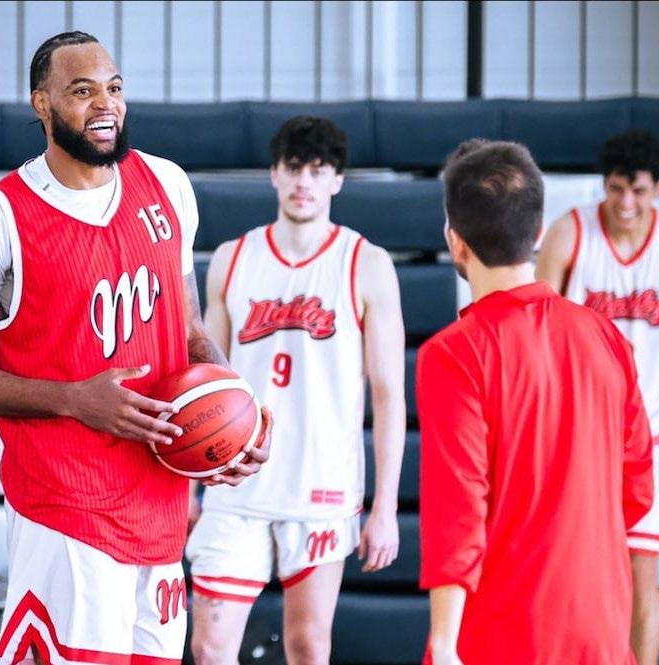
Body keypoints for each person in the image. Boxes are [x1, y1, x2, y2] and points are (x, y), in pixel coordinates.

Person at [0, 31, 270, 665]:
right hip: (66, 510)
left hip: (161, 503)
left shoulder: (166, 184)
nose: (105, 104)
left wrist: (228, 415)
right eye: (82, 91)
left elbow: (189, 329)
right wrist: (75, 399)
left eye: (113, 88)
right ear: (42, 104)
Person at [418, 139, 654, 665]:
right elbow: (638, 490)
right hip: (600, 632)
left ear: (455, 242)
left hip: (500, 633)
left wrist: (445, 643)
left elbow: (458, 511)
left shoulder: (453, 354)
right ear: (539, 231)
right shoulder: (608, 338)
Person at [185, 116, 406, 665]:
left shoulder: (367, 263)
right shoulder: (233, 259)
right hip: (236, 484)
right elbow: (205, 383)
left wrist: (384, 508)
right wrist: (189, 487)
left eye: (318, 169)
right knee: (209, 648)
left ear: (337, 180)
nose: (304, 181)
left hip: (321, 487)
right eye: (293, 168)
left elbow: (388, 394)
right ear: (274, 174)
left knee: (308, 646)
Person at [536, 129, 659, 665]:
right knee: (571, 571)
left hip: (654, 434)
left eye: (638, 191)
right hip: (584, 434)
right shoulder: (570, 234)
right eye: (616, 189)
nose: (626, 203)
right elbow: (536, 330)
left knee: (641, 573)